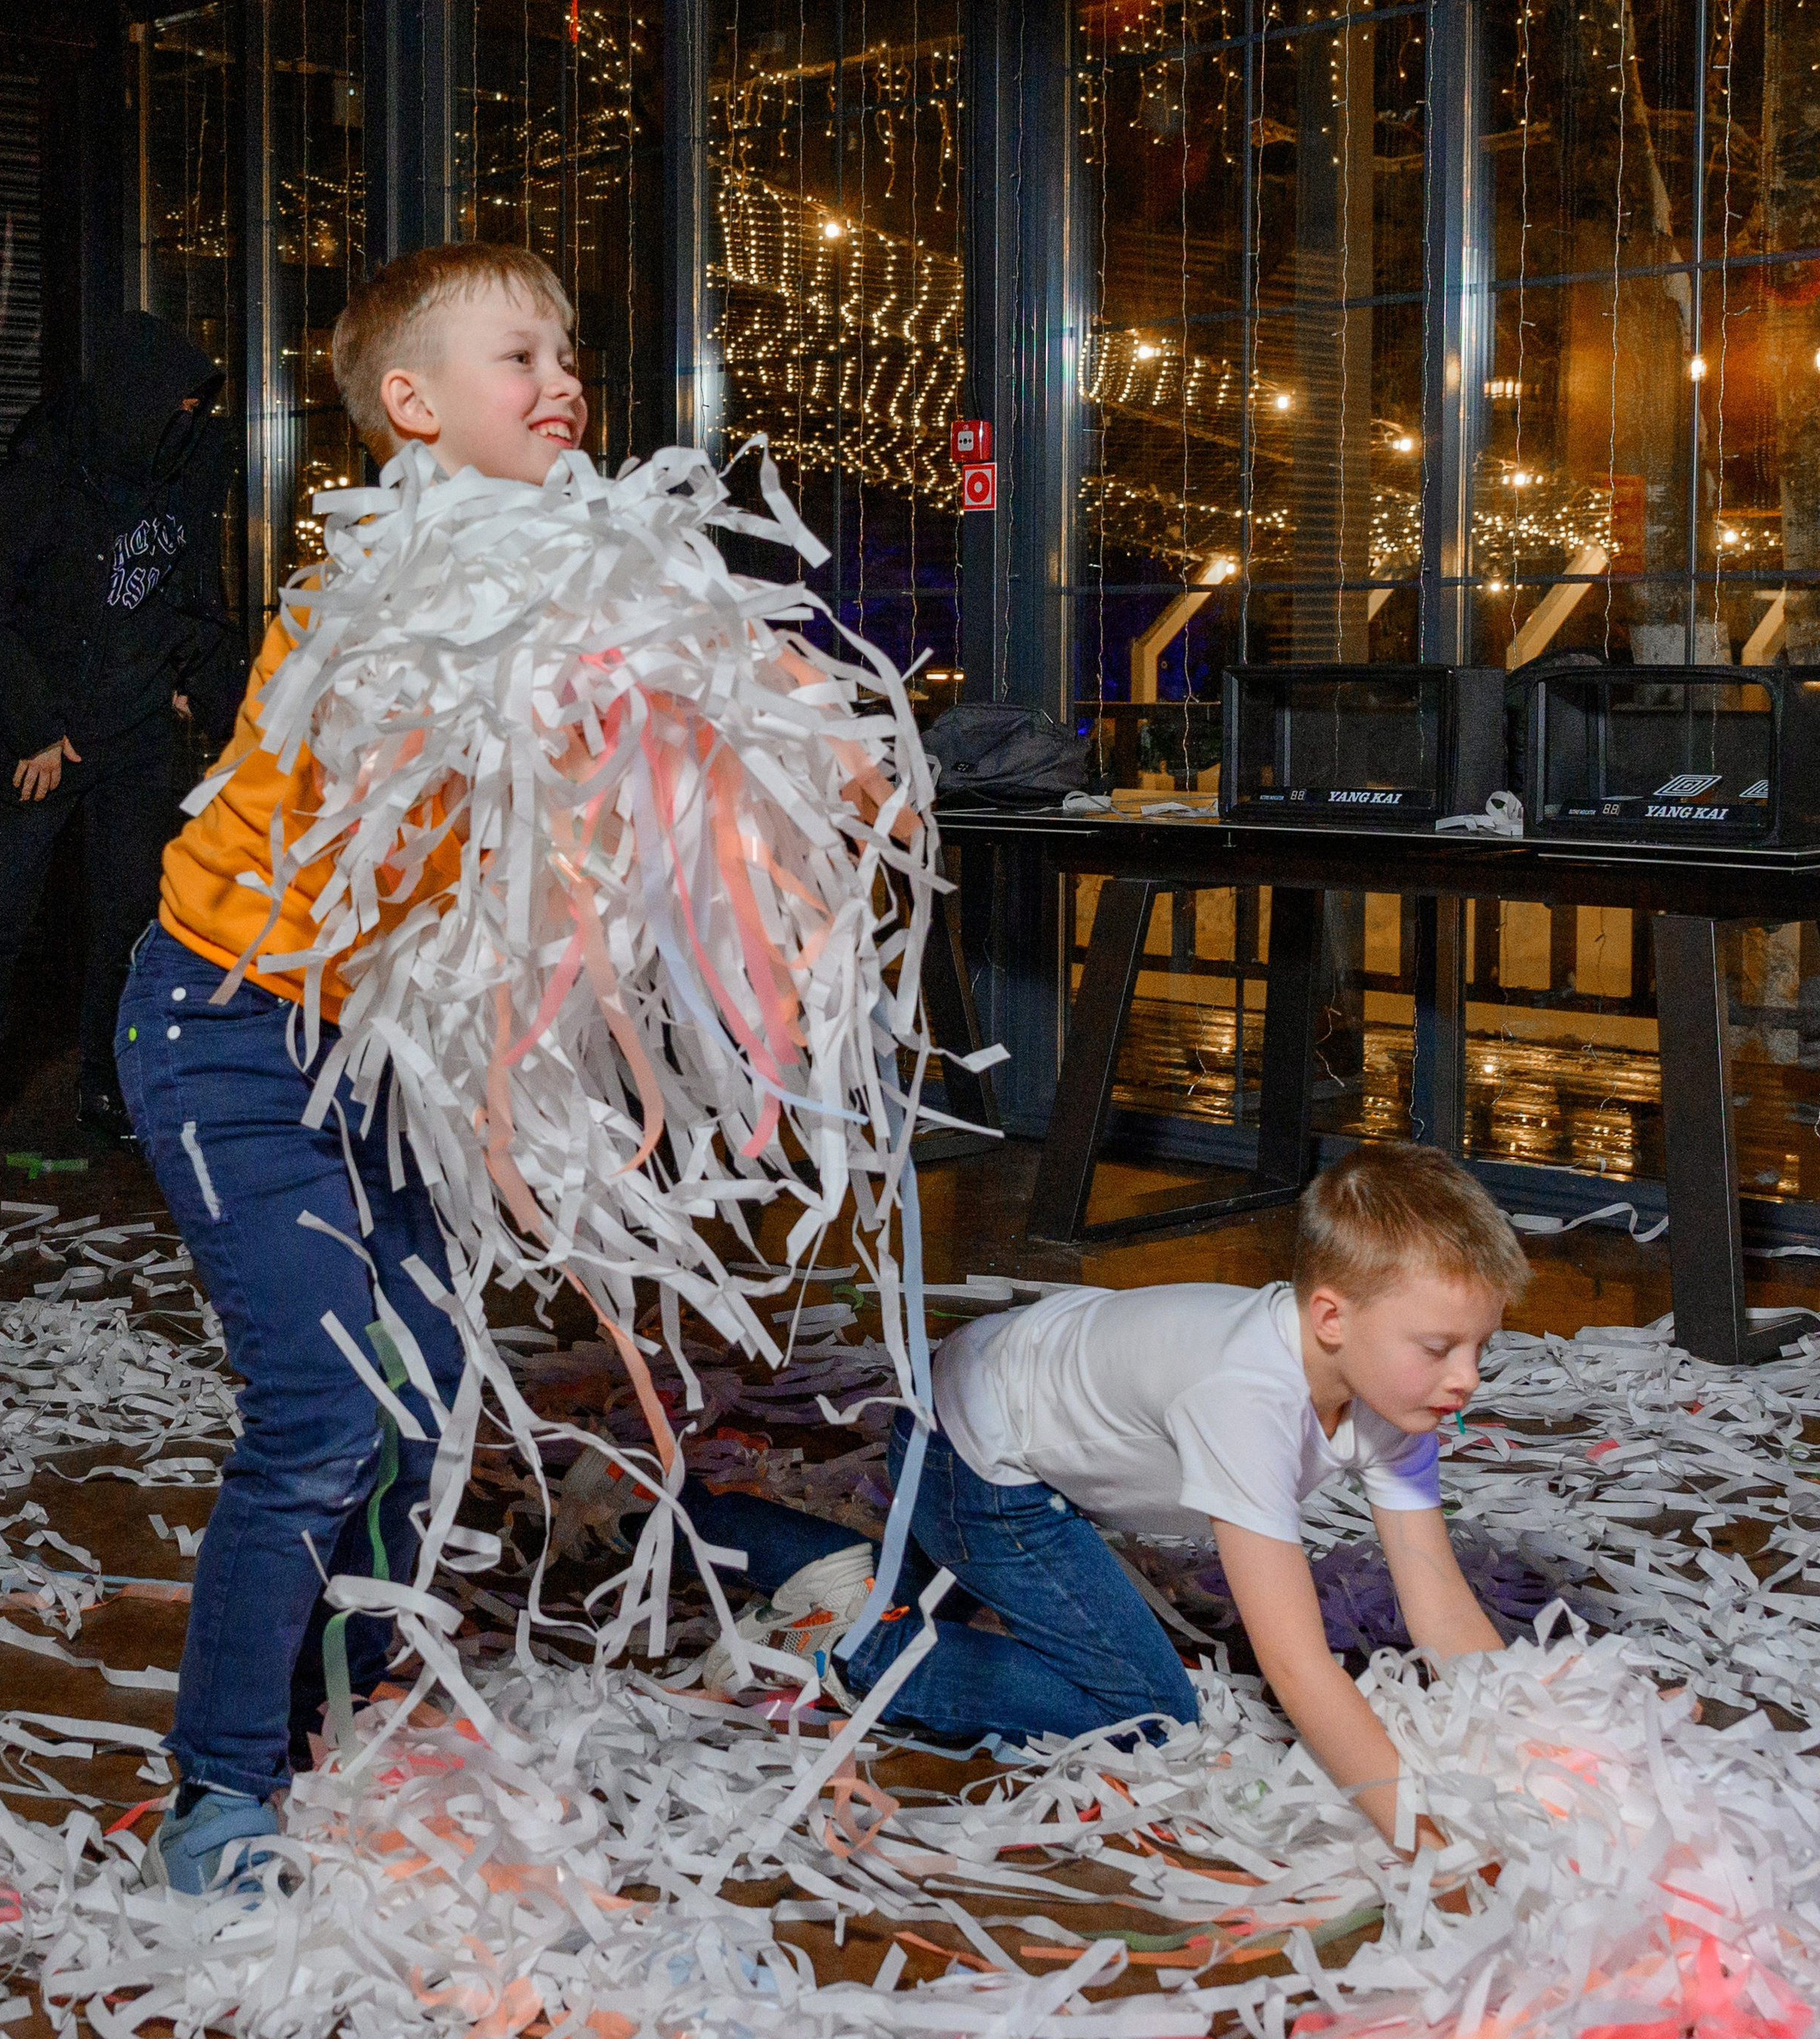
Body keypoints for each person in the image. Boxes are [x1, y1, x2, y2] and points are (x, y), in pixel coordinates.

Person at [115, 242, 587, 1894]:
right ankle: (217, 1790)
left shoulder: (543, 573)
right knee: (318, 1407)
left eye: (568, 354)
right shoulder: (381, 585)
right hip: (225, 1024)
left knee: (426, 1383)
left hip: (361, 1036)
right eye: (520, 356)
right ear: (412, 408)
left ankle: (348, 1691)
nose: (563, 381)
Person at [688, 1142, 1529, 1856]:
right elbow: (1295, 1664)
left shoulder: (1398, 1394)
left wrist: (1532, 1754)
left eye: (1478, 1346)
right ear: (1331, 1316)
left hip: (1021, 1404)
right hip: (979, 1455)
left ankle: (682, 1511)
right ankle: (846, 1652)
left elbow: (1439, 1605)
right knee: (1147, 1713)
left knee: (901, 1580)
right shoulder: (1245, 1396)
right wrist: (1423, 1837)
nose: (1467, 1376)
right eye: (1439, 1346)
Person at [0, 309, 243, 1151]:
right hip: (40, 737)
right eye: (180, 404)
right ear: (136, 400)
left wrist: (220, 715)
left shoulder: (193, 467)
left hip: (133, 726)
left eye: (200, 407)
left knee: (128, 916)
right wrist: (32, 728)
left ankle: (106, 1082)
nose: (194, 420)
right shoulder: (43, 476)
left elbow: (195, 600)